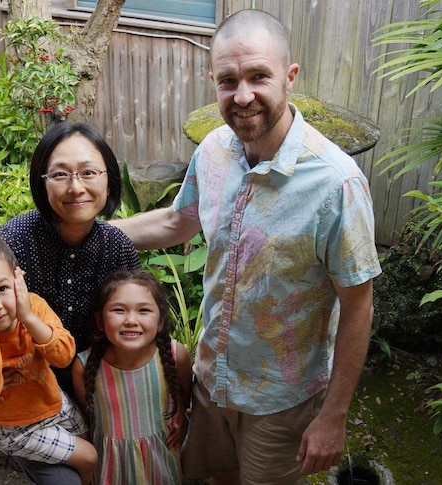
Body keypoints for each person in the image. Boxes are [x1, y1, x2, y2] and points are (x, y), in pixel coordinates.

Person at [110, 9, 382, 484]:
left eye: (259, 76)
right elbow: (180, 220)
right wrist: (94, 230)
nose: (243, 96)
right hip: (211, 380)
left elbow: (357, 306)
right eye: (228, 80)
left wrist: (334, 416)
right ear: (212, 80)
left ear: (290, 77)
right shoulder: (214, 148)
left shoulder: (337, 185)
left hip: (281, 400)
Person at [0, 122, 140, 484]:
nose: (76, 187)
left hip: (80, 390)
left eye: (89, 172)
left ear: (109, 178)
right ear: (42, 182)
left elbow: (140, 315)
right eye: (61, 174)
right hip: (17, 402)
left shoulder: (117, 246)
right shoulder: (14, 240)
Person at [0, 228, 97, 484]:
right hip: (11, 427)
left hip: (50, 402)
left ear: (18, 278)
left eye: (2, 288)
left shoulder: (33, 307)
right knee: (89, 457)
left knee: (88, 438)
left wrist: (28, 318)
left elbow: (64, 356)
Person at [70, 269, 192, 484]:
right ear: (100, 320)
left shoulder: (175, 356)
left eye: (144, 310)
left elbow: (184, 394)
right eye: (119, 310)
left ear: (161, 320)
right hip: (110, 470)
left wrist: (180, 413)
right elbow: (88, 416)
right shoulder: (85, 366)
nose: (131, 320)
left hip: (161, 466)